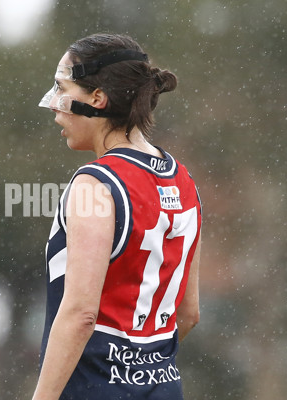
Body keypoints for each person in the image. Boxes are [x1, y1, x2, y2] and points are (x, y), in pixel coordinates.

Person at [32, 33, 202, 400]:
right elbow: (188, 314)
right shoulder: (184, 180)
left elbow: (80, 315)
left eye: (62, 88)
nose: (54, 105)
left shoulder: (95, 185)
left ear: (98, 98)